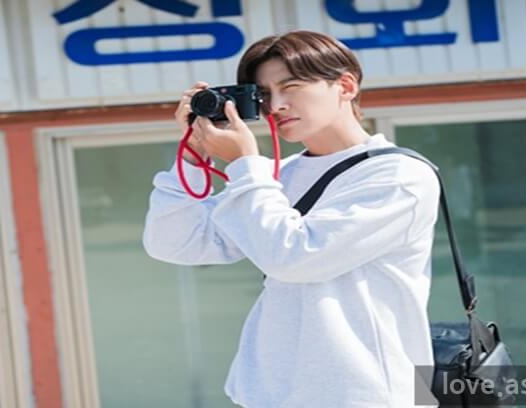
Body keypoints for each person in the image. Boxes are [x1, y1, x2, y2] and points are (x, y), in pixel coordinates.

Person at [143, 30, 440, 407]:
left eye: (292, 86)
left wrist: (245, 164)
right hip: (270, 394)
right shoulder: (274, 176)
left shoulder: (400, 176)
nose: (277, 105)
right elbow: (174, 243)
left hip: (363, 395)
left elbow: (295, 257)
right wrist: (193, 156)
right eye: (264, 94)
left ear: (345, 86)